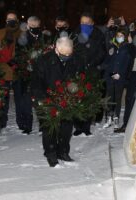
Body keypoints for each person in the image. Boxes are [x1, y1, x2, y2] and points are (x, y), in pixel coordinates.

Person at [31, 37, 82, 167]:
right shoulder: (43, 61)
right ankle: (51, 153)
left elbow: (78, 76)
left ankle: (63, 151)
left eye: (68, 54)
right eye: (64, 54)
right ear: (56, 49)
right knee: (50, 128)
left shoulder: (74, 59)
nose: (66, 56)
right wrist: (43, 99)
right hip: (47, 98)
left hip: (66, 99)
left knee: (66, 127)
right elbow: (36, 83)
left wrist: (75, 90)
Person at [72, 12, 106, 136]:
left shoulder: (98, 34)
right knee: (76, 97)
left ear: (92, 23)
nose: (84, 25)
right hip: (77, 71)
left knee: (89, 98)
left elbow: (102, 53)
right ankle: (77, 126)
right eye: (82, 22)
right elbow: (71, 50)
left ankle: (86, 126)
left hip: (92, 71)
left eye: (87, 22)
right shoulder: (75, 33)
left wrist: (92, 63)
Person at [0, 11, 21, 130]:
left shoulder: (22, 33)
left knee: (20, 98)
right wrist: (4, 58)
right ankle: (1, 121)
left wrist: (17, 61)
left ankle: (22, 122)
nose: (11, 21)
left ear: (17, 20)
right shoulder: (0, 33)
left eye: (13, 19)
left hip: (18, 70)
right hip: (3, 69)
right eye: (8, 19)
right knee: (2, 97)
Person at [102, 28, 131, 129]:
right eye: (117, 36)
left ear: (125, 37)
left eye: (121, 36)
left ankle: (116, 118)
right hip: (110, 75)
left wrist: (120, 74)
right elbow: (107, 62)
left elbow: (127, 64)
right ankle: (109, 118)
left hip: (120, 77)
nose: (119, 38)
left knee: (118, 98)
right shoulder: (112, 47)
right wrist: (109, 55)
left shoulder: (127, 47)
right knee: (110, 98)